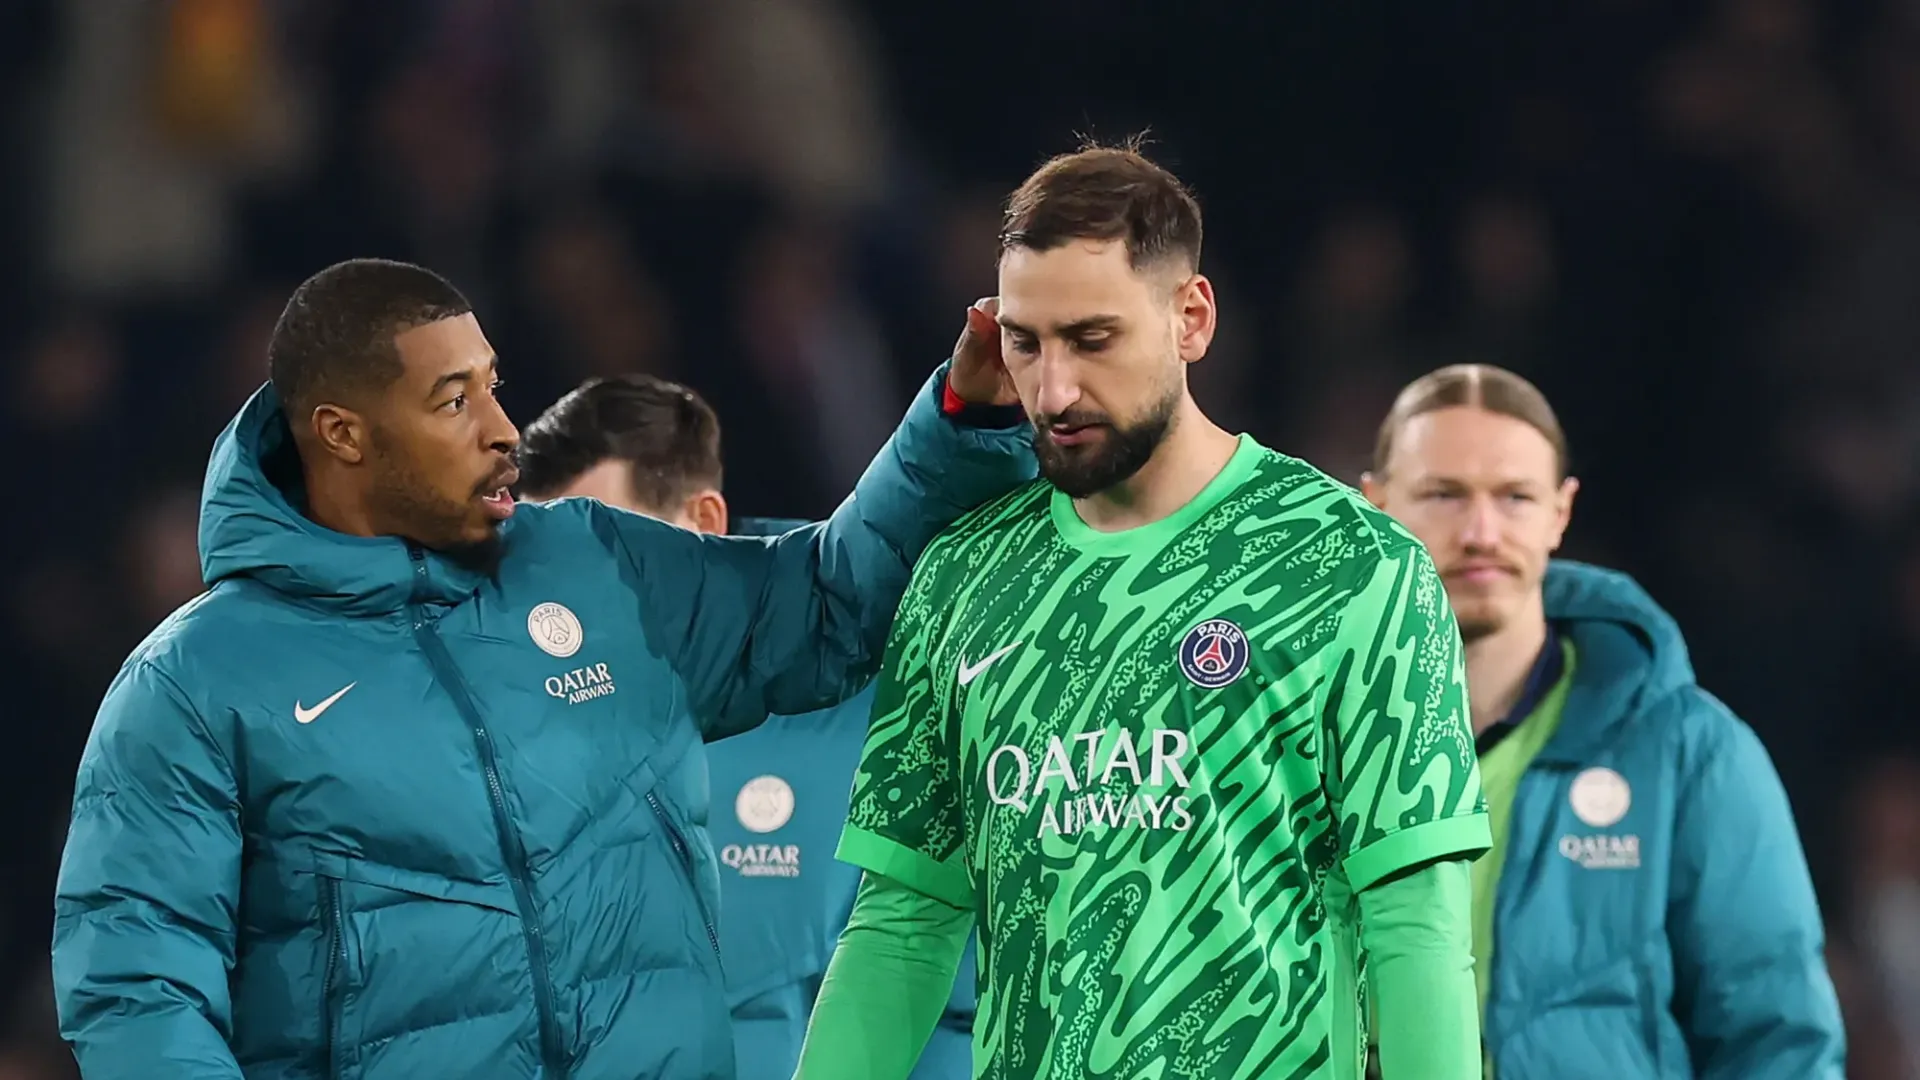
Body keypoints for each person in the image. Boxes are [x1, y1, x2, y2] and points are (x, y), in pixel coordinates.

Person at [50, 257, 1035, 1080]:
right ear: (342, 434)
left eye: (492, 385)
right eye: (452, 399)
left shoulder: (595, 567)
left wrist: (959, 421)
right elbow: (138, 988)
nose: (501, 429)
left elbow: (823, 603)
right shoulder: (194, 683)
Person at [793, 141, 1491, 1080]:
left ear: (1191, 319)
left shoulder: (1351, 566)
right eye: (1025, 342)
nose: (1054, 390)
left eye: (1092, 339)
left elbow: (1415, 927)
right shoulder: (961, 578)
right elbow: (902, 929)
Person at [1360, 363, 1846, 1079]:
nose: (1481, 530)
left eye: (1515, 497)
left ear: (1562, 511)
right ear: (1374, 504)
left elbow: (1776, 1040)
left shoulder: (1687, 751)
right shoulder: (1299, 737)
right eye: (1442, 494)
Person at [514, 372, 977, 1080]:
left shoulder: (883, 683)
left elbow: (953, 1003)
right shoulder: (509, 727)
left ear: (703, 525)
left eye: (607, 552)